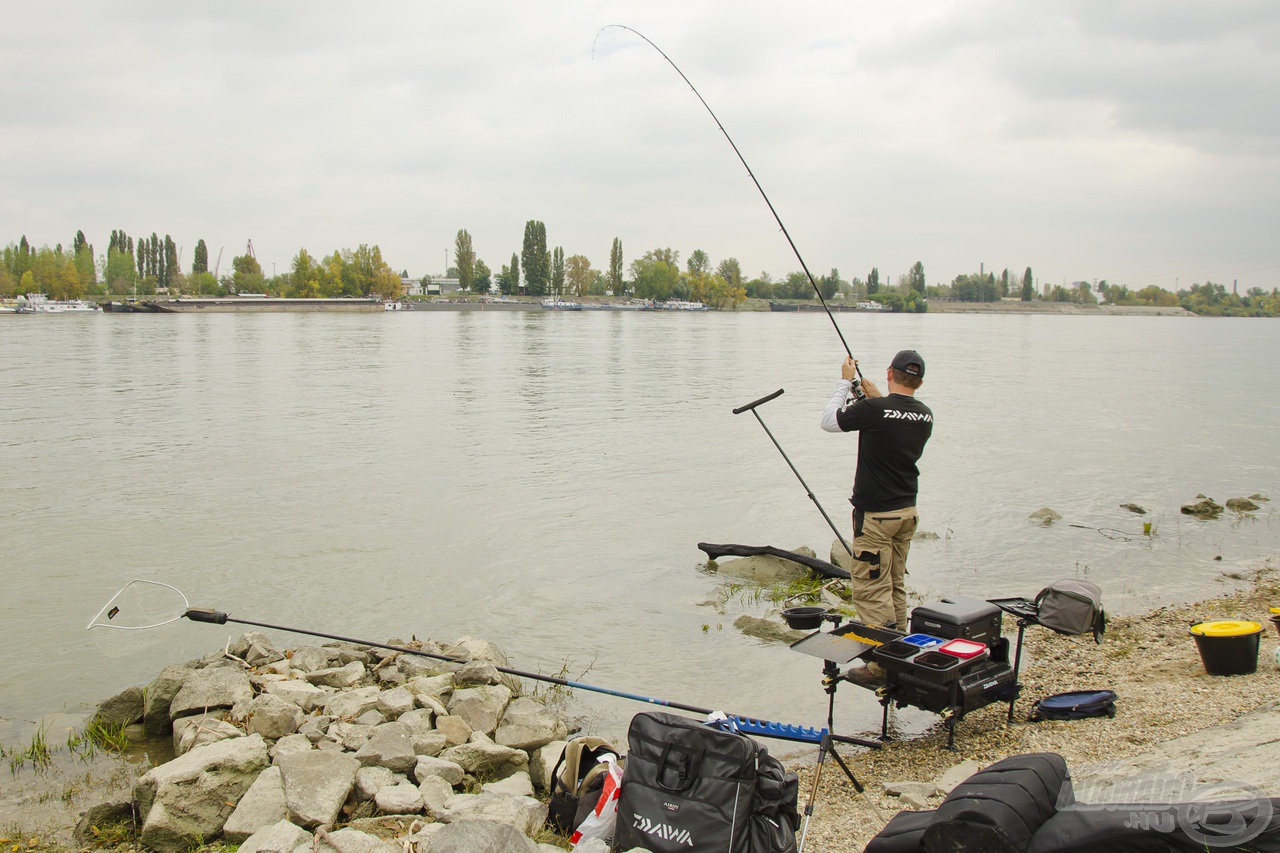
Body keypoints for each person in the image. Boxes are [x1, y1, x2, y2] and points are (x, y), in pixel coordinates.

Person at [820, 349, 933, 638]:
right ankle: (900, 646)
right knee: (895, 582)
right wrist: (878, 398)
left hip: (876, 517)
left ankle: (881, 662)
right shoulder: (924, 415)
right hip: (907, 512)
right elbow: (895, 418)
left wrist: (844, 382)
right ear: (918, 382)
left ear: (889, 372)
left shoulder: (876, 410)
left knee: (871, 589)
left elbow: (830, 421)